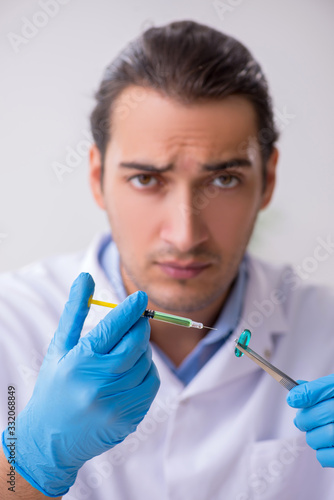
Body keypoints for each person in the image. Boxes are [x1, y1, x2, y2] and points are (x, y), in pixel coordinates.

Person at [1, 19, 334, 500]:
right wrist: (28, 463)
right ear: (97, 177)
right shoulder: (9, 325)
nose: (185, 234)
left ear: (269, 179)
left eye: (223, 180)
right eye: (146, 179)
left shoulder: (325, 332)